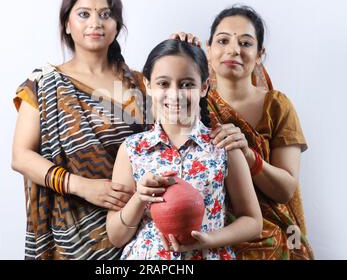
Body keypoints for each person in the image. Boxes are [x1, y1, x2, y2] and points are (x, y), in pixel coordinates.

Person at [11, 0, 147, 260]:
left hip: (140, 229)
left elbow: (180, 123)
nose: (95, 23)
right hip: (72, 234)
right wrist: (82, 187)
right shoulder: (44, 84)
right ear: (67, 24)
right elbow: (21, 157)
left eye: (105, 14)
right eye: (84, 14)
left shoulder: (141, 83)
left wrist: (188, 50)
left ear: (117, 25)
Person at [106, 39, 262, 260]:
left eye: (187, 84)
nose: (175, 94)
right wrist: (139, 198)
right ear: (148, 85)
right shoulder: (132, 150)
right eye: (163, 84)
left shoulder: (224, 146)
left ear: (204, 87)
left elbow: (253, 222)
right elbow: (116, 236)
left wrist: (210, 239)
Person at [205, 5, 314, 259]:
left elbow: (285, 189)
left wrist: (249, 156)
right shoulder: (193, 103)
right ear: (208, 49)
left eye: (245, 43)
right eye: (223, 41)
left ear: (259, 54)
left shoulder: (277, 106)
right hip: (209, 229)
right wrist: (177, 47)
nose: (233, 50)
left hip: (270, 232)